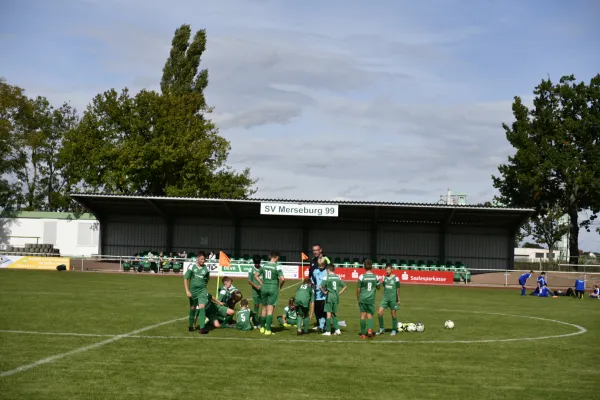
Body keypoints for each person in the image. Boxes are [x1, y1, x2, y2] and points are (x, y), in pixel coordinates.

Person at [254, 250, 285, 336]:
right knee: (270, 309)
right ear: (277, 257)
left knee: (264, 308)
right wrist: (279, 287)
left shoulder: (264, 265)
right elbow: (282, 279)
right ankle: (268, 330)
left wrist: (261, 283)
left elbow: (256, 275)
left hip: (264, 288)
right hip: (273, 288)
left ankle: (262, 328)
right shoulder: (277, 266)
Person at [183, 251, 210, 334]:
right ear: (197, 258)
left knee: (202, 307)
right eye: (201, 259)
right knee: (193, 308)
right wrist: (187, 291)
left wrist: (203, 288)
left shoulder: (206, 269)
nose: (203, 261)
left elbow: (207, 280)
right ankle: (191, 326)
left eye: (204, 259)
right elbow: (185, 278)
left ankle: (202, 328)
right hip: (192, 292)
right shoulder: (192, 267)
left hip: (202, 291)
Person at [320, 264, 346, 336]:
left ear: (328, 270)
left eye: (326, 270)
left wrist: (324, 292)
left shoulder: (326, 277)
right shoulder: (338, 277)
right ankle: (337, 330)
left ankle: (328, 331)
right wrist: (339, 293)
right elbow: (344, 286)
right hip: (336, 297)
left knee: (328, 314)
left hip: (329, 297)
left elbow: (320, 286)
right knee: (334, 314)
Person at [357, 259, 380, 339]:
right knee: (369, 315)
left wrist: (358, 299)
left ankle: (363, 334)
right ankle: (370, 330)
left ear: (364, 266)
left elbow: (358, 290)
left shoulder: (361, 277)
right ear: (372, 266)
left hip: (362, 299)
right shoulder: (376, 276)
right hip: (371, 299)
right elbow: (379, 287)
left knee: (362, 316)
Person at [376, 264, 400, 336]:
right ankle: (382, 329)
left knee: (393, 315)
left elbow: (398, 289)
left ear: (392, 270)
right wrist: (378, 283)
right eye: (386, 270)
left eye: (388, 270)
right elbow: (382, 286)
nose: (387, 271)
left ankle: (394, 330)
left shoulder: (396, 278)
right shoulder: (384, 278)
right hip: (385, 299)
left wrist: (398, 299)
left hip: (393, 299)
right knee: (379, 313)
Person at [312, 257, 328, 331]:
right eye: (319, 265)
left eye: (322, 265)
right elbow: (313, 281)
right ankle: (319, 324)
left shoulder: (326, 272)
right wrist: (313, 286)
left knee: (323, 310)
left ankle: (323, 325)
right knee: (316, 310)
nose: (320, 267)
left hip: (324, 295)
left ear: (325, 265)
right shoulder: (315, 271)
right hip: (317, 294)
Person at [248, 254, 263, 328]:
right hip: (255, 290)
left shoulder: (262, 269)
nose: (257, 264)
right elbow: (249, 281)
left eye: (258, 263)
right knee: (256, 305)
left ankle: (263, 320)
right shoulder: (251, 269)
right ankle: (256, 322)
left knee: (265, 305)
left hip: (262, 290)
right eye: (256, 263)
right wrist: (256, 286)